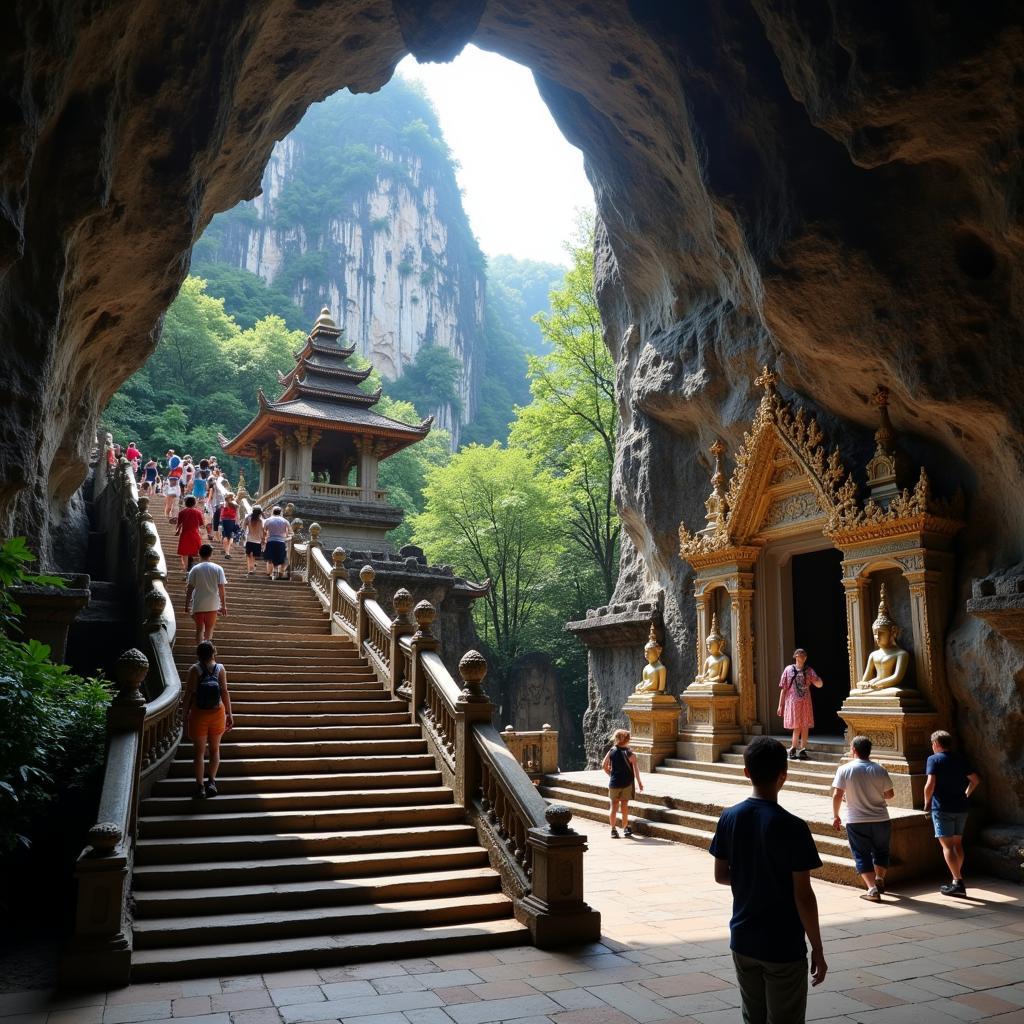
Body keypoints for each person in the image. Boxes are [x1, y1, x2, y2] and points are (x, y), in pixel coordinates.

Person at [710, 736, 826, 1023]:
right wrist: (818, 949)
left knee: (753, 1018)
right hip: (782, 943)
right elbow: (803, 895)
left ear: (746, 772)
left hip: (743, 939)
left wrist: (752, 876)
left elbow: (721, 875)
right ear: (783, 775)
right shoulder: (794, 827)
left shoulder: (729, 817)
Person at [831, 735, 895, 902]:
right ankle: (880, 879)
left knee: (861, 854)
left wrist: (836, 815)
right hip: (881, 819)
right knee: (882, 851)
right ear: (869, 751)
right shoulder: (879, 769)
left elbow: (837, 794)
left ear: (853, 750)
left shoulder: (844, 769)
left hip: (856, 819)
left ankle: (872, 889)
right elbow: (890, 794)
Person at [924, 730, 981, 898]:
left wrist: (927, 803)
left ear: (935, 744)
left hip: (942, 807)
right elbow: (975, 780)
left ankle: (958, 881)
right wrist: (966, 794)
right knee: (957, 844)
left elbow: (930, 784)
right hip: (961, 807)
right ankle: (956, 879)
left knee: (947, 846)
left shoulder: (933, 759)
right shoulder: (960, 758)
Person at [181, 640, 233, 799]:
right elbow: (224, 692)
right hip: (218, 712)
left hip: (198, 713)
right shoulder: (220, 668)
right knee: (215, 749)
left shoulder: (194, 670)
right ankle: (211, 782)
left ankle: (200, 787)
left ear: (198, 654)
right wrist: (230, 714)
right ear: (214, 652)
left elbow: (189, 694)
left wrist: (184, 716)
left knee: (199, 752)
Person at [777, 648, 823, 761]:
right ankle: (793, 748)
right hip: (793, 701)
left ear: (805, 658)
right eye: (799, 656)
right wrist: (780, 705)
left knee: (805, 725)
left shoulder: (809, 670)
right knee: (797, 726)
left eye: (803, 656)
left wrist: (819, 681)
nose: (801, 658)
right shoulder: (788, 669)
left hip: (805, 702)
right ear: (795, 657)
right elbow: (783, 689)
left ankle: (802, 749)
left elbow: (819, 684)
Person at [601, 728, 643, 838]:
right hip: (627, 784)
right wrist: (639, 782)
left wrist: (611, 775)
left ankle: (613, 830)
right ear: (627, 740)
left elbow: (604, 766)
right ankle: (625, 828)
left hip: (614, 783)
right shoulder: (630, 753)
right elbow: (635, 770)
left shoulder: (612, 750)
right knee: (624, 806)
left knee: (613, 807)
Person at [185, 543, 227, 643]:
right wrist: (224, 605)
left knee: (199, 630)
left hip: (199, 602)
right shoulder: (218, 568)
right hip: (213, 603)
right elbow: (221, 589)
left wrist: (187, 605)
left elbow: (189, 588)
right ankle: (207, 653)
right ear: (211, 554)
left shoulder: (195, 569)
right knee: (209, 630)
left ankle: (200, 653)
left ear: (199, 554)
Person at [175, 494, 205, 573]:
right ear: (194, 503)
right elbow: (201, 525)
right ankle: (198, 568)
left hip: (185, 534)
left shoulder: (182, 512)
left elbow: (178, 525)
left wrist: (177, 531)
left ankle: (185, 568)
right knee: (198, 551)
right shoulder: (198, 512)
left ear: (185, 503)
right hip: (195, 534)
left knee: (184, 553)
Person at [262, 505, 291, 580]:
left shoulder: (268, 520)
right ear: (281, 512)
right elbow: (290, 532)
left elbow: (264, 532)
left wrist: (263, 541)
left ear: (272, 512)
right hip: (281, 542)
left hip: (270, 541)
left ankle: (270, 574)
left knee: (270, 559)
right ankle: (280, 573)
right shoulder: (285, 521)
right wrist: (286, 537)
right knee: (282, 559)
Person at [220, 492, 240, 558]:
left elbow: (221, 513)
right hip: (232, 521)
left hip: (224, 521)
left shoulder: (224, 504)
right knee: (230, 536)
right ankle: (227, 552)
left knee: (225, 535)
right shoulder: (235, 505)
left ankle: (226, 551)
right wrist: (237, 523)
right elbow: (237, 515)